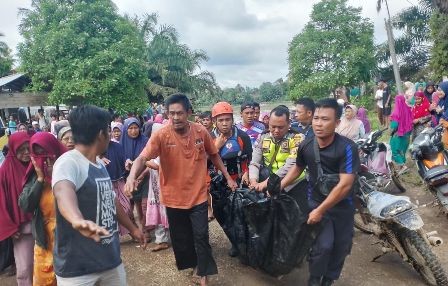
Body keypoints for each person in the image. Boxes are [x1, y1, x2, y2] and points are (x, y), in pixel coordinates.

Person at [125, 93, 237, 286]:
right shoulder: (161, 135)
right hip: (172, 197)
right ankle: (193, 264)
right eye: (171, 114)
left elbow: (214, 155)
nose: (175, 117)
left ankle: (203, 274)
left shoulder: (201, 132)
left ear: (189, 113)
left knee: (201, 235)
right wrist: (131, 176)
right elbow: (142, 158)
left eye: (180, 113)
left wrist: (228, 177)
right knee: (182, 237)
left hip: (198, 195)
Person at [51, 105, 145, 285]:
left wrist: (132, 229)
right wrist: (77, 220)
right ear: (102, 134)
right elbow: (63, 192)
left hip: (109, 260)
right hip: (77, 269)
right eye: (109, 131)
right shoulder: (68, 163)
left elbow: (110, 199)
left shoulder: (99, 164)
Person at [280, 98, 360, 286]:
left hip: (342, 207)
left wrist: (320, 210)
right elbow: (297, 168)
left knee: (340, 248)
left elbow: (345, 185)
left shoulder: (348, 148)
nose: (318, 123)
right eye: (316, 118)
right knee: (323, 247)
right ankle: (314, 280)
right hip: (316, 202)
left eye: (325, 119)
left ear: (337, 123)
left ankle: (328, 280)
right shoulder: (306, 146)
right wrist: (279, 185)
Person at [19, 132, 66, 286]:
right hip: (44, 238)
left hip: (68, 237)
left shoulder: (68, 171)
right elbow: (25, 205)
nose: (43, 158)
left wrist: (55, 176)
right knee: (45, 279)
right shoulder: (33, 176)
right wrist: (40, 180)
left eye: (46, 152)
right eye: (37, 154)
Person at [210, 102, 253, 257]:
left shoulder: (242, 136)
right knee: (221, 214)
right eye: (220, 120)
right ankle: (234, 241)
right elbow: (203, 161)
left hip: (240, 182)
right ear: (214, 121)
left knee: (241, 214)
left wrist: (247, 173)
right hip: (219, 185)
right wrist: (216, 146)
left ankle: (245, 244)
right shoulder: (208, 138)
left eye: (227, 119)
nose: (224, 123)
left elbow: (250, 159)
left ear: (232, 119)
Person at [249, 105, 307, 210]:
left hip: (294, 185)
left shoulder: (297, 138)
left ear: (289, 124)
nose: (276, 130)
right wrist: (253, 181)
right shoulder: (263, 137)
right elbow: (255, 162)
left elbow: (291, 165)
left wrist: (266, 183)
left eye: (280, 127)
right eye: (273, 126)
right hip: (270, 185)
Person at [0, 132, 33, 286]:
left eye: (29, 148)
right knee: (24, 268)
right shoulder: (5, 170)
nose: (26, 153)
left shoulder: (36, 165)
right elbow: (1, 201)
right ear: (13, 149)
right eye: (21, 149)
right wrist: (10, 228)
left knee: (46, 263)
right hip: (21, 228)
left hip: (43, 223)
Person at [120, 118, 149, 239]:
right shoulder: (120, 144)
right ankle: (142, 227)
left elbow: (150, 157)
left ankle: (145, 228)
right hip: (130, 177)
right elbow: (119, 158)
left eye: (136, 128)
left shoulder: (146, 140)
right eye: (130, 128)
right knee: (137, 203)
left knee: (145, 203)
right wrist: (125, 162)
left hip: (146, 175)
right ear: (126, 130)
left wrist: (141, 172)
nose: (133, 131)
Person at [145, 123, 170, 252]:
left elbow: (158, 166)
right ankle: (161, 240)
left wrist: (145, 161)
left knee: (168, 212)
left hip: (167, 187)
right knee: (158, 213)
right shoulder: (151, 149)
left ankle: (172, 239)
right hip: (155, 187)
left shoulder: (167, 147)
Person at [103, 135, 132, 237]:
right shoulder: (95, 147)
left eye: (108, 131)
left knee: (127, 207)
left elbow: (125, 157)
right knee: (110, 210)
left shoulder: (117, 146)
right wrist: (98, 159)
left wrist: (127, 162)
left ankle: (128, 230)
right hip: (105, 183)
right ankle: (114, 234)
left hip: (119, 180)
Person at [390, 95, 413, 171]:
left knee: (395, 150)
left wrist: (392, 130)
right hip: (407, 133)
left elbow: (394, 125)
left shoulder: (397, 111)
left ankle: (402, 166)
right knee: (402, 150)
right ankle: (402, 166)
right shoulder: (408, 109)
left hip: (398, 134)